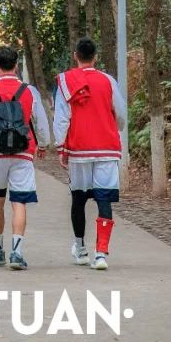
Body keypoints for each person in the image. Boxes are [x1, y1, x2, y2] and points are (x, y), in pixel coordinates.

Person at [0, 43, 51, 272]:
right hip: (23, 153)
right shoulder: (29, 91)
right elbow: (40, 122)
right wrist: (43, 144)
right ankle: (17, 252)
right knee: (19, 202)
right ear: (16, 65)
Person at [54, 35, 126, 270]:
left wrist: (60, 146)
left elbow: (62, 118)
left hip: (79, 148)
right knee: (104, 199)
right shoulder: (108, 81)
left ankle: (81, 248)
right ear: (95, 57)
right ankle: (101, 253)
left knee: (79, 198)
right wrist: (114, 128)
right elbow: (121, 113)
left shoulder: (67, 81)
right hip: (106, 147)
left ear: (75, 55)